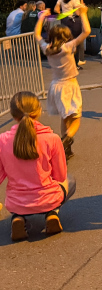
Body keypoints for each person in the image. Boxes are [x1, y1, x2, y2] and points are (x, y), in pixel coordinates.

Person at [0, 92, 76, 241]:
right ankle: (52, 213)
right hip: (48, 198)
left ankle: (18, 218)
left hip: (16, 202)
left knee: (18, 199)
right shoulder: (52, 139)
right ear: (39, 111)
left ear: (13, 115)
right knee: (70, 180)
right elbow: (60, 176)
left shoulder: (2, 140)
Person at [34, 5, 91, 160]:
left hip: (56, 86)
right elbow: (86, 31)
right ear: (67, 36)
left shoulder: (47, 48)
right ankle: (65, 141)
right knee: (76, 118)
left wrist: (42, 17)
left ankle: (66, 151)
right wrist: (83, 14)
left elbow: (37, 35)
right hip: (70, 85)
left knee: (64, 118)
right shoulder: (67, 47)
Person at [54, 0, 85, 68]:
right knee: (75, 42)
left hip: (64, 21)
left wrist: (63, 14)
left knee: (65, 42)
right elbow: (78, 12)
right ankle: (74, 63)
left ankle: (65, 62)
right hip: (73, 21)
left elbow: (56, 9)